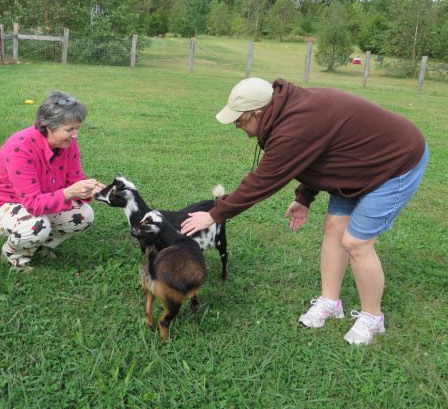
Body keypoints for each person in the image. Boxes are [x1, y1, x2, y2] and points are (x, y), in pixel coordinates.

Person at [181, 77, 428, 345]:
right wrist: (305, 196)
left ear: (259, 113)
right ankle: (330, 302)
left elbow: (265, 179)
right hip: (355, 165)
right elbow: (319, 154)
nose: (237, 127)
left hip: (395, 161)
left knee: (356, 242)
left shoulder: (293, 127)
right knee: (334, 227)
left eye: (239, 121)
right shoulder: (288, 113)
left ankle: (372, 318)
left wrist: (214, 214)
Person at [0, 90, 104, 272]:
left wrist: (92, 189)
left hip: (39, 201)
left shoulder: (69, 145)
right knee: (37, 224)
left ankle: (39, 245)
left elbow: (75, 179)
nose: (75, 135)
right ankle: (13, 256)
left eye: (77, 128)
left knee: (84, 215)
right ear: (49, 127)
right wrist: (69, 192)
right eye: (69, 130)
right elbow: (33, 204)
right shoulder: (20, 147)